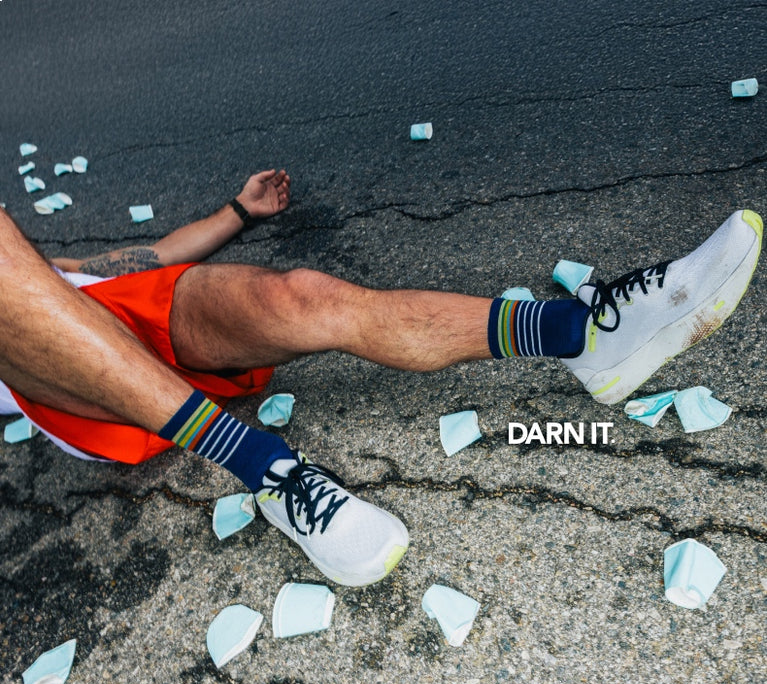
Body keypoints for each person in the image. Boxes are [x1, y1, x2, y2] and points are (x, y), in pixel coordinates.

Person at [0, 170, 761, 587]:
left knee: (300, 296)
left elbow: (143, 261)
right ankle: (270, 472)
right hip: (54, 379)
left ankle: (582, 334)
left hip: (119, 306)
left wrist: (237, 209)